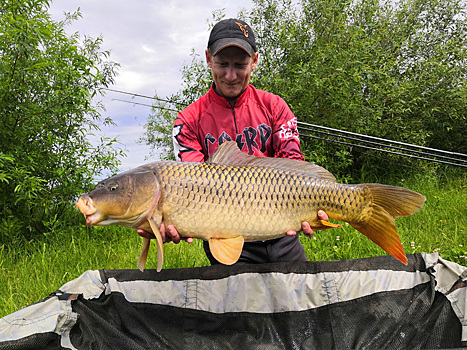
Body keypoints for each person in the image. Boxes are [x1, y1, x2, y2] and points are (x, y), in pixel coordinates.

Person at [138, 18, 329, 264]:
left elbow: (293, 165)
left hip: (283, 231)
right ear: (208, 59)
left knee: (298, 298)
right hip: (224, 238)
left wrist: (312, 207)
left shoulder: (275, 107)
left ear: (255, 61)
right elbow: (190, 186)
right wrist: (166, 219)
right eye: (222, 64)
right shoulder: (188, 120)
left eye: (240, 65)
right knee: (236, 302)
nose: (230, 75)